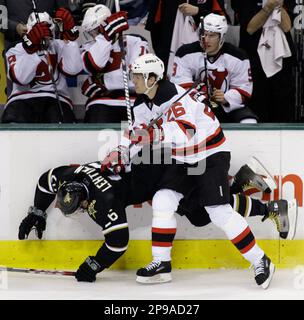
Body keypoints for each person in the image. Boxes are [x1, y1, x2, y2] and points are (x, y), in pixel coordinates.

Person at [100, 52, 276, 289]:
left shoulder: (174, 95)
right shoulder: (142, 102)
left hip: (210, 154)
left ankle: (260, 259)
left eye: (139, 76)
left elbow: (186, 132)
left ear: (153, 78)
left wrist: (155, 134)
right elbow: (135, 132)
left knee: (218, 211)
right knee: (163, 200)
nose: (135, 80)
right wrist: (121, 152)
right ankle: (161, 263)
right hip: (183, 158)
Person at [18, 159, 297, 283]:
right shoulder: (71, 175)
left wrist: (92, 266)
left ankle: (250, 194)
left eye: (80, 207)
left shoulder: (105, 201)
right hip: (155, 170)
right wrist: (38, 211)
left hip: (166, 173)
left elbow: (117, 243)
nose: (81, 211)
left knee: (204, 212)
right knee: (202, 211)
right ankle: (254, 196)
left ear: (84, 197)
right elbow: (46, 181)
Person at [171, 13, 258, 123]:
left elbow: (243, 89)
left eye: (211, 36)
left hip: (226, 107)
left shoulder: (239, 57)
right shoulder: (184, 53)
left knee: (249, 122)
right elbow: (180, 86)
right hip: (194, 106)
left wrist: (226, 98)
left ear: (221, 37)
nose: (206, 40)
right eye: (203, 34)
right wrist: (202, 97)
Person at [1, 8, 82, 123]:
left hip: (55, 98)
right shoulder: (15, 49)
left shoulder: (59, 45)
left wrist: (71, 39)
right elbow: (21, 79)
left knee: (63, 127)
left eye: (47, 27)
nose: (43, 32)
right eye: (38, 29)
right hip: (22, 99)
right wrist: (31, 49)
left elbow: (74, 69)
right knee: (13, 123)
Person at [80, 4, 149, 123]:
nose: (94, 36)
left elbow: (138, 79)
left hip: (134, 102)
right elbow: (95, 64)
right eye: (90, 32)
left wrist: (104, 82)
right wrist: (106, 38)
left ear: (104, 25)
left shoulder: (136, 42)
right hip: (101, 103)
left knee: (142, 136)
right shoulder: (88, 47)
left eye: (95, 31)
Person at [231, 0, 296, 122]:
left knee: (282, 104)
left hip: (281, 57)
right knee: (258, 103)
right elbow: (250, 28)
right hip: (254, 58)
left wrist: (278, 5)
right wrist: (268, 7)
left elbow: (287, 26)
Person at [145, 0, 226, 73]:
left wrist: (198, 12)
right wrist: (163, 57)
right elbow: (155, 25)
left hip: (204, 57)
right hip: (169, 55)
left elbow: (222, 21)